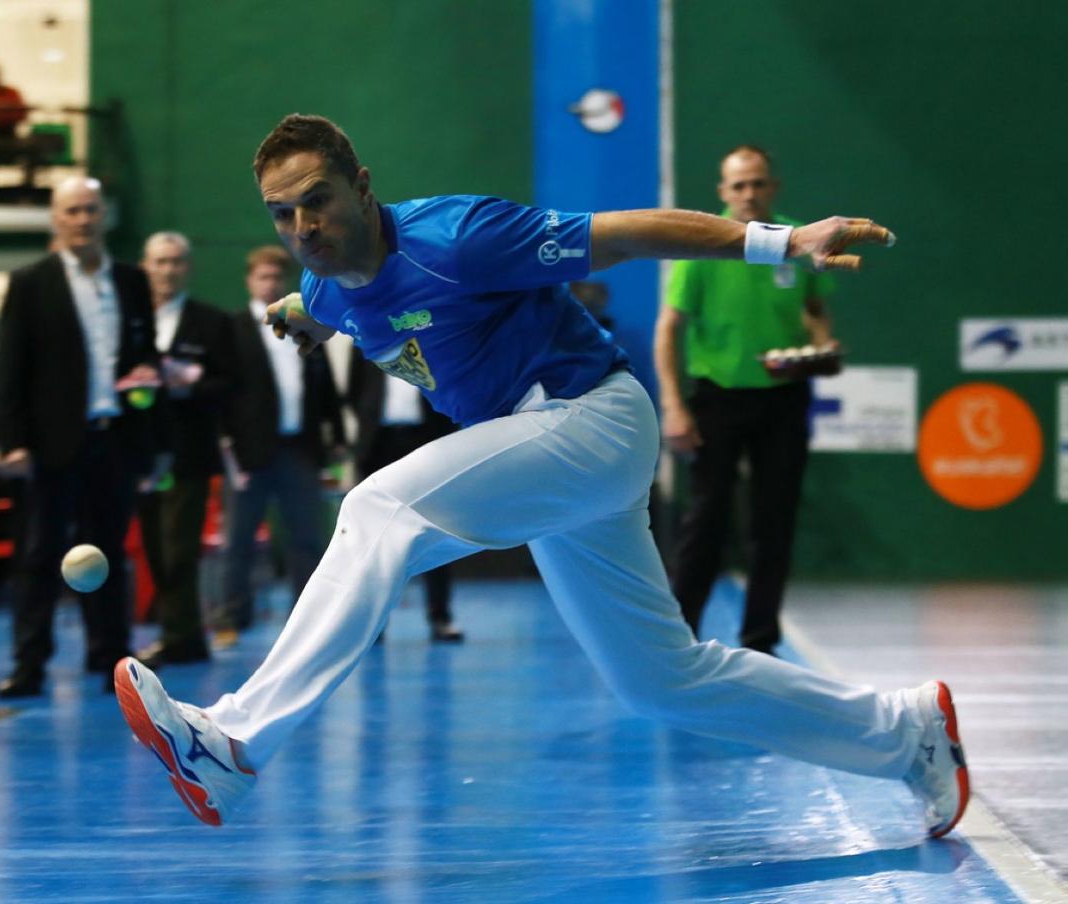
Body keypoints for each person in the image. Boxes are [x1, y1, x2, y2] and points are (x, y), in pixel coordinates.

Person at [113, 114, 967, 841]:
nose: (303, 226)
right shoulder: (326, 285)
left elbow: (627, 232)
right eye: (283, 213)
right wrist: (299, 313)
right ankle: (905, 733)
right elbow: (337, 302)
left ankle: (233, 741)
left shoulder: (464, 236)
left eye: (318, 201)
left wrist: (782, 241)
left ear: (362, 186)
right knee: (661, 678)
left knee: (378, 509)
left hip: (589, 415)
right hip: (550, 461)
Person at [655, 145, 837, 655]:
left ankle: (760, 643)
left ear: (772, 187)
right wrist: (674, 405)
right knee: (706, 522)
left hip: (783, 401)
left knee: (774, 523)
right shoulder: (702, 246)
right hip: (717, 402)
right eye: (738, 185)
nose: (749, 194)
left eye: (757, 183)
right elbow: (668, 329)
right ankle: (677, 640)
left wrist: (820, 345)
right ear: (723, 193)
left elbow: (815, 308)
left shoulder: (800, 241)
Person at [0, 176, 164, 698]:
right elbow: (8, 367)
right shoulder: (30, 282)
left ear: (104, 216)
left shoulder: (132, 282)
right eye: (72, 211)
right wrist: (10, 439)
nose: (82, 220)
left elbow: (145, 355)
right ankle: (29, 664)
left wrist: (148, 394)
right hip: (50, 443)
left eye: (90, 210)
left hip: (116, 439)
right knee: (40, 556)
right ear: (55, 220)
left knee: (108, 553)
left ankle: (110, 659)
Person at [215, 245, 345, 639]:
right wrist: (226, 444)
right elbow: (223, 391)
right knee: (239, 540)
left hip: (300, 450)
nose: (270, 282)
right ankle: (232, 619)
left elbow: (324, 388)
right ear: (249, 281)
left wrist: (336, 435)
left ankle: (306, 622)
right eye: (262, 276)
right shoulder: (233, 328)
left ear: (285, 282)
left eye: (276, 276)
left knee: (307, 538)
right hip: (249, 452)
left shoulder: (304, 326)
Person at [134, 231, 237, 667]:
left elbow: (232, 385)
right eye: (160, 262)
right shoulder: (129, 320)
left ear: (188, 268)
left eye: (176, 262)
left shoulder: (211, 323)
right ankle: (186, 637)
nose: (168, 270)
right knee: (155, 548)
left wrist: (191, 382)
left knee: (179, 550)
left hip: (188, 454)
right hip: (138, 453)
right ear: (145, 266)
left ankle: (179, 636)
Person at [347, 350, 462, 642]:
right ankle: (375, 623)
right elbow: (353, 390)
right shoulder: (364, 334)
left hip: (427, 440)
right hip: (378, 444)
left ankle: (440, 616)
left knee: (436, 529)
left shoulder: (430, 332)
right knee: (373, 537)